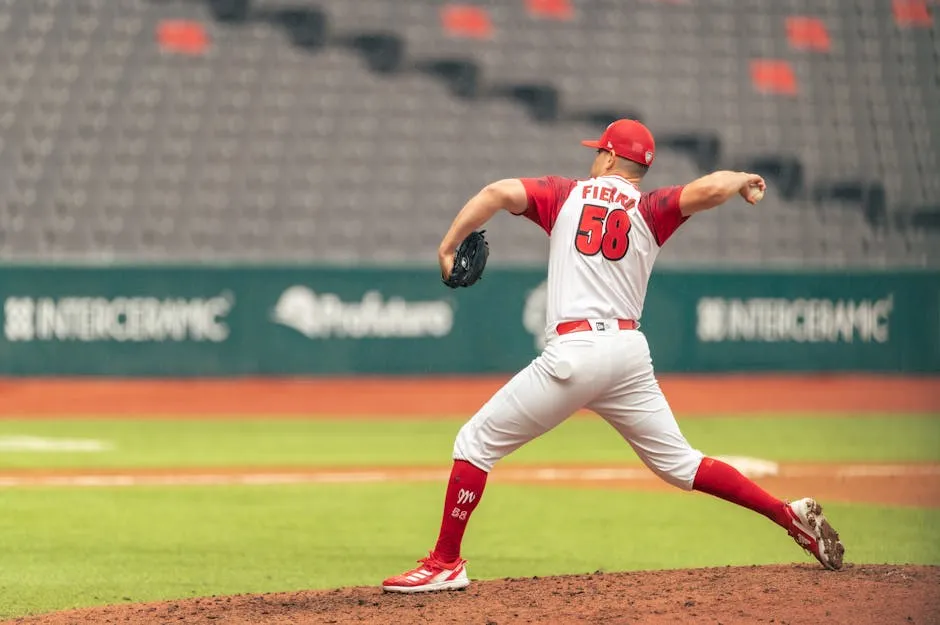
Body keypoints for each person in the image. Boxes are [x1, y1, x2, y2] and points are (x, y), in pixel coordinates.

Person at [381, 119, 845, 593]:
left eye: (596, 151)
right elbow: (706, 189)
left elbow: (497, 191)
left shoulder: (565, 195)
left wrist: (448, 244)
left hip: (576, 353)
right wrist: (742, 180)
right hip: (627, 355)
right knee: (681, 464)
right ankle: (786, 514)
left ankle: (445, 563)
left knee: (475, 442)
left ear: (606, 156)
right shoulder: (649, 207)